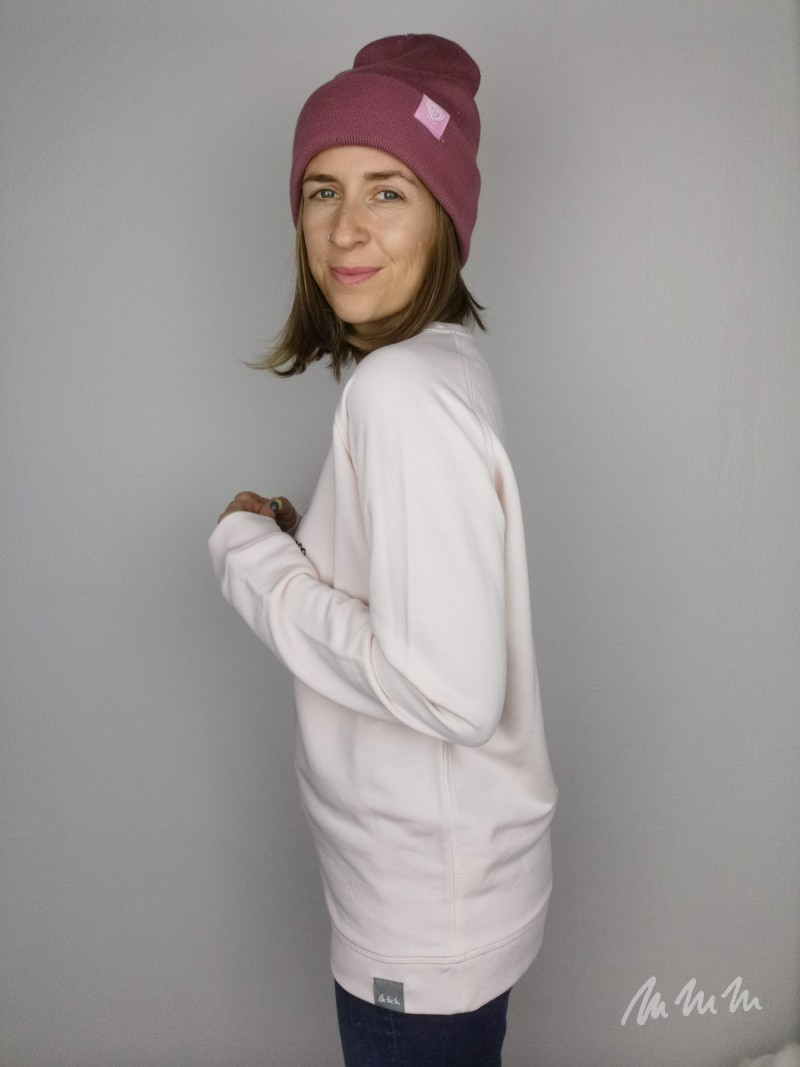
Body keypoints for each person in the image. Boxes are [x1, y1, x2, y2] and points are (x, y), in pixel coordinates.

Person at [210, 34, 557, 1067]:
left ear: (444, 217)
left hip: (421, 914)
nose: (345, 227)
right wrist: (307, 535)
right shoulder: (442, 365)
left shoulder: (398, 391)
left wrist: (249, 558)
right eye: (322, 190)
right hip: (454, 892)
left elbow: (445, 690)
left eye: (388, 191)